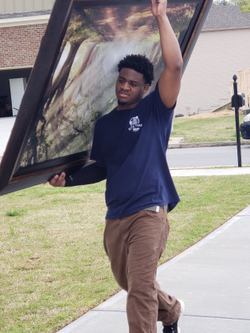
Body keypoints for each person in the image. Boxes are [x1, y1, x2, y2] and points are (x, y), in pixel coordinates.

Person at [49, 0, 184, 332]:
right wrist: (69, 181)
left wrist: (161, 16)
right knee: (133, 285)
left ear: (145, 88)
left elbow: (176, 66)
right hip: (116, 215)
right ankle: (171, 311)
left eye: (133, 83)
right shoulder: (106, 124)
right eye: (122, 80)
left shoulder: (156, 110)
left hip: (149, 211)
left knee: (138, 292)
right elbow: (102, 168)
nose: (124, 86)